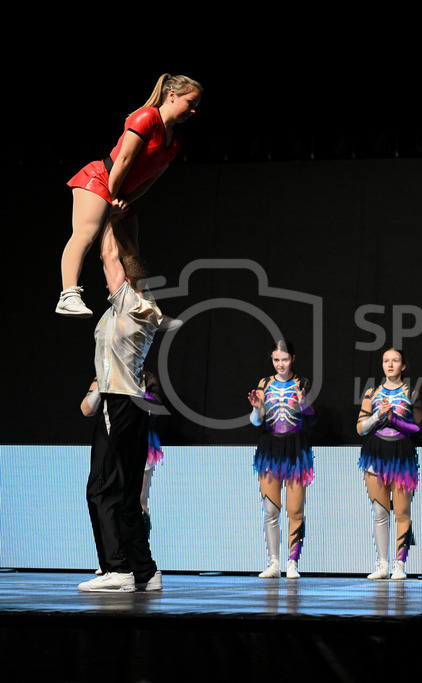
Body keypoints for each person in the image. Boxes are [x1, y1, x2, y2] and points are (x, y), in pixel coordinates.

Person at [58, 73, 202, 318]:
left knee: (130, 252)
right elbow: (122, 162)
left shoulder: (175, 142)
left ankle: (141, 302)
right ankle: (68, 294)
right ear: (172, 95)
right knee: (87, 234)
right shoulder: (146, 117)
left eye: (196, 106)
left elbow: (150, 180)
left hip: (121, 195)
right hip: (100, 180)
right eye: (191, 102)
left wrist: (125, 201)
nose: (193, 111)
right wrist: (110, 199)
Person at [77, 246, 166, 592]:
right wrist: (121, 215)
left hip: (119, 403)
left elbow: (111, 256)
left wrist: (103, 213)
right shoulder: (142, 308)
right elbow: (123, 251)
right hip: (132, 405)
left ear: (127, 282)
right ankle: (143, 570)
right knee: (127, 492)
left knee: (101, 488)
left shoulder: (133, 305)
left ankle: (117, 568)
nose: (105, 285)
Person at [248, 340, 315, 580]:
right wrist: (257, 408)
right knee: (270, 510)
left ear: (293, 359)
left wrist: (303, 403)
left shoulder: (301, 383)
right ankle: (273, 562)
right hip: (270, 447)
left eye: (284, 360)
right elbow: (257, 422)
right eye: (276, 360)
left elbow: (312, 419)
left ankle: (293, 562)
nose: (280, 364)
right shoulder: (264, 384)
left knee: (295, 510)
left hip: (295, 448)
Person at [357, 348, 422, 580]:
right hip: (376, 453)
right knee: (379, 512)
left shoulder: (411, 393)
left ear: (403, 366)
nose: (390, 364)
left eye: (395, 361)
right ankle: (382, 564)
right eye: (386, 361)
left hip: (401, 454)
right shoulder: (371, 393)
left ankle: (400, 565)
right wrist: (378, 416)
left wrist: (394, 419)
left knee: (402, 512)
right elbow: (360, 428)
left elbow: (418, 429)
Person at [81, 371, 164, 550]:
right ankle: (114, 558)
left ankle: (139, 555)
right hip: (112, 444)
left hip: (141, 442)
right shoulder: (103, 376)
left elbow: (155, 408)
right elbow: (86, 409)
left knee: (137, 503)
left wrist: (132, 391)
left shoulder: (145, 378)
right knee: (109, 501)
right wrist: (103, 386)